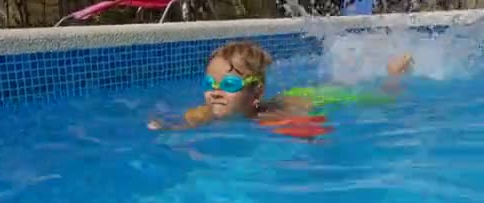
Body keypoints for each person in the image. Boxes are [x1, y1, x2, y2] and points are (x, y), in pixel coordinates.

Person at [147, 41, 414, 136]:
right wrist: (168, 128)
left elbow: (318, 133)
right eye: (210, 84)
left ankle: (394, 74)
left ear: (256, 92)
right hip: (288, 98)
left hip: (309, 99)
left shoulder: (270, 119)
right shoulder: (204, 113)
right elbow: (183, 125)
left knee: (382, 99)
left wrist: (315, 140)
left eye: (228, 84)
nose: (215, 92)